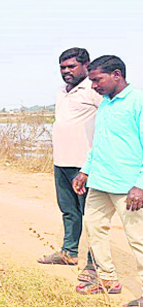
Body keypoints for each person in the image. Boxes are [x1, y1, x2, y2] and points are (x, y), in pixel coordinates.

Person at [72, 55, 143, 307]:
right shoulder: (105, 103)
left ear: (117, 74)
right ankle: (107, 279)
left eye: (97, 80)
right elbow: (100, 143)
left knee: (138, 239)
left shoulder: (138, 101)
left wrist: (140, 184)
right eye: (91, 81)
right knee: (94, 229)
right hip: (100, 182)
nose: (93, 86)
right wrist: (86, 170)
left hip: (129, 187)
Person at [37, 48, 101, 281]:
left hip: (84, 166)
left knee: (92, 215)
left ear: (86, 65)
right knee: (69, 211)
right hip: (61, 163)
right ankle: (68, 253)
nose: (66, 71)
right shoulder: (61, 92)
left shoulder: (94, 90)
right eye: (62, 67)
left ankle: (95, 264)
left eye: (71, 66)